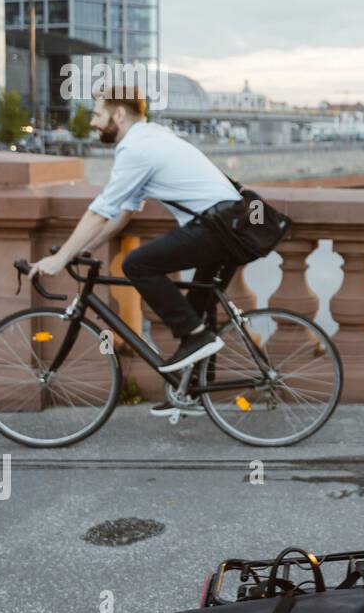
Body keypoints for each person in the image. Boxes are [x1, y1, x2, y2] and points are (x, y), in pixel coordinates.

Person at [27, 85, 245, 404]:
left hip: (218, 227)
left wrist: (61, 258)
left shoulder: (137, 149)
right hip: (228, 223)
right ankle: (196, 394)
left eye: (97, 115)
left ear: (119, 113)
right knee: (198, 307)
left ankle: (196, 339)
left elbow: (101, 210)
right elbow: (126, 211)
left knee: (137, 265)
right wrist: (87, 248)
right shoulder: (151, 138)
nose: (92, 123)